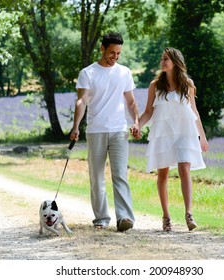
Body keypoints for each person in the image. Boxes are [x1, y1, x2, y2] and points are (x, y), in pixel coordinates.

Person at [131, 47, 208, 232]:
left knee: (184, 168)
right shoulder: (155, 85)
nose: (162, 61)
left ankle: (189, 214)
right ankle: (166, 217)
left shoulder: (187, 84)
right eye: (162, 59)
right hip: (163, 132)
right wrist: (137, 126)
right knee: (163, 173)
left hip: (184, 131)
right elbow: (149, 112)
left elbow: (194, 111)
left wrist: (202, 137)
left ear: (175, 61)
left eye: (166, 59)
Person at [70, 32, 140, 232]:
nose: (115, 57)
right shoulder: (88, 73)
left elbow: (131, 101)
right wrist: (76, 126)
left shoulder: (124, 72)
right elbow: (82, 101)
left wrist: (136, 122)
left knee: (120, 175)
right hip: (96, 131)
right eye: (111, 53)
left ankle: (124, 217)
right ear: (102, 48)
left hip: (119, 130)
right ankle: (101, 218)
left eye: (118, 54)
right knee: (97, 177)